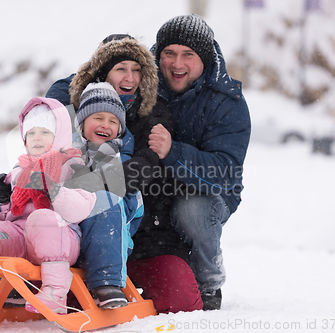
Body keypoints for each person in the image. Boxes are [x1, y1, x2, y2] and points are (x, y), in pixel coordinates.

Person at [46, 35, 204, 314]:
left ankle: (111, 278)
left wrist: (83, 182)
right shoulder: (73, 104)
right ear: (102, 72)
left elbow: (143, 168)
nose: (130, 78)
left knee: (181, 302)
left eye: (136, 69)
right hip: (76, 227)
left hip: (146, 233)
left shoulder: (153, 112)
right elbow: (42, 152)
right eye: (120, 68)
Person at [144, 14, 252, 311]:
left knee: (191, 210)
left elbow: (224, 172)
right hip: (153, 185)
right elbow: (92, 77)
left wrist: (173, 153)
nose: (177, 64)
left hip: (210, 192)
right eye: (169, 54)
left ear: (203, 58)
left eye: (187, 55)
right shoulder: (144, 79)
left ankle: (208, 283)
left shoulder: (226, 100)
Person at [0, 97, 98, 316]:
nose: (37, 138)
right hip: (20, 239)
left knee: (42, 218)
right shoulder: (17, 173)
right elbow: (11, 215)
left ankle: (55, 293)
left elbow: (82, 207)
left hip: (59, 237)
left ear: (59, 136)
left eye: (45, 132)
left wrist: (55, 191)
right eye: (31, 133)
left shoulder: (74, 167)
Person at [64, 81, 145, 309]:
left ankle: (106, 282)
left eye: (113, 121)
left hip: (111, 237)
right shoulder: (64, 153)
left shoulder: (117, 159)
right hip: (69, 232)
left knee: (106, 203)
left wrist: (85, 181)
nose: (105, 125)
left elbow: (130, 207)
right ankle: (23, 283)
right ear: (82, 123)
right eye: (98, 118)